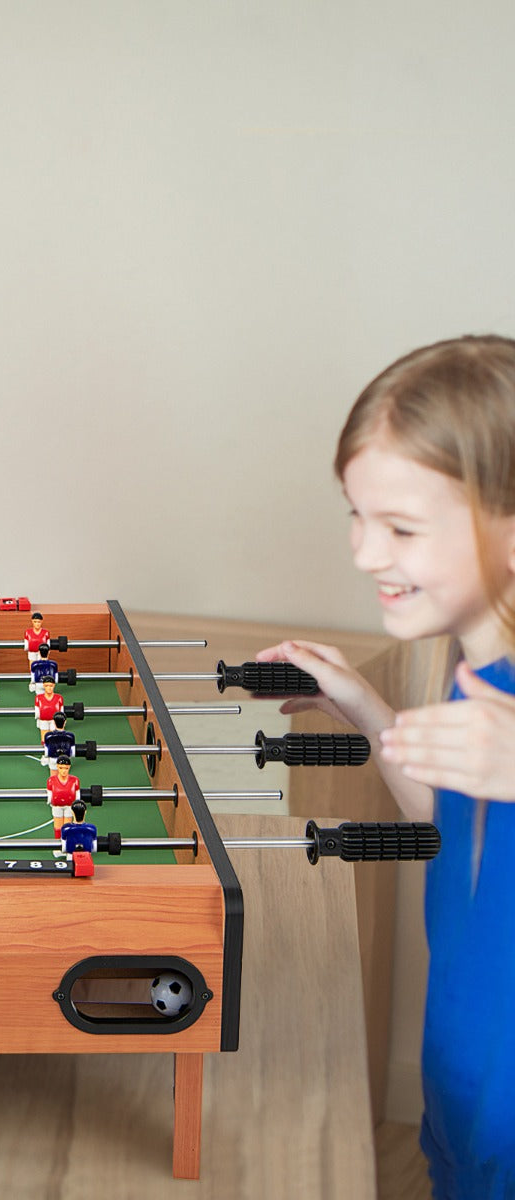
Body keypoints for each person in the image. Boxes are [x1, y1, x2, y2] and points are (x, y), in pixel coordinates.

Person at [256, 335, 515, 1199]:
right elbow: (457, 837)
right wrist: (363, 710)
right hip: (463, 1111)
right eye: (357, 517)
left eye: (401, 528)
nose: (366, 555)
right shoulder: (473, 670)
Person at [45, 756, 81, 838]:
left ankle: (67, 843)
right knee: (58, 826)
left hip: (69, 806)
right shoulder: (51, 781)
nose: (64, 771)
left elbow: (77, 795)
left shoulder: (75, 780)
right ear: (57, 767)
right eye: (61, 768)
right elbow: (50, 795)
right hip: (57, 806)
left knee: (68, 826)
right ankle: (58, 846)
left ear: (69, 767)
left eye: (66, 768)